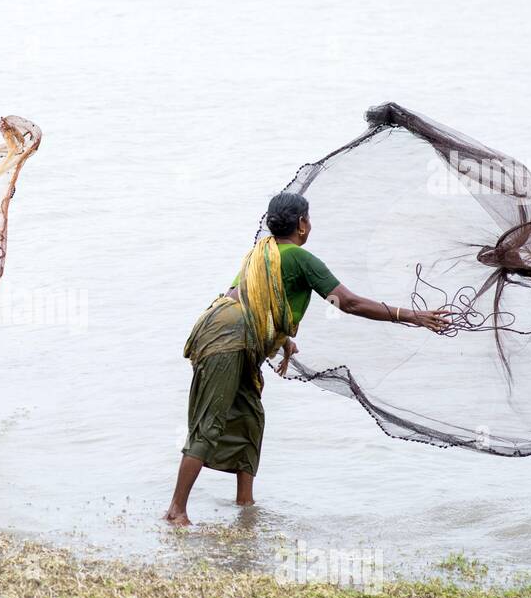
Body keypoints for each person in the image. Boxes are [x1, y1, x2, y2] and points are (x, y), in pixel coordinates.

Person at [164, 191, 449, 526]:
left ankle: (245, 505)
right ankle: (176, 511)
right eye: (308, 219)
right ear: (301, 224)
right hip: (228, 340)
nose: (309, 225)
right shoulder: (300, 258)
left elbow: (253, 300)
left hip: (225, 331)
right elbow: (349, 303)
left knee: (250, 417)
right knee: (210, 422)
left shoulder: (262, 255)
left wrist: (282, 340)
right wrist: (409, 315)